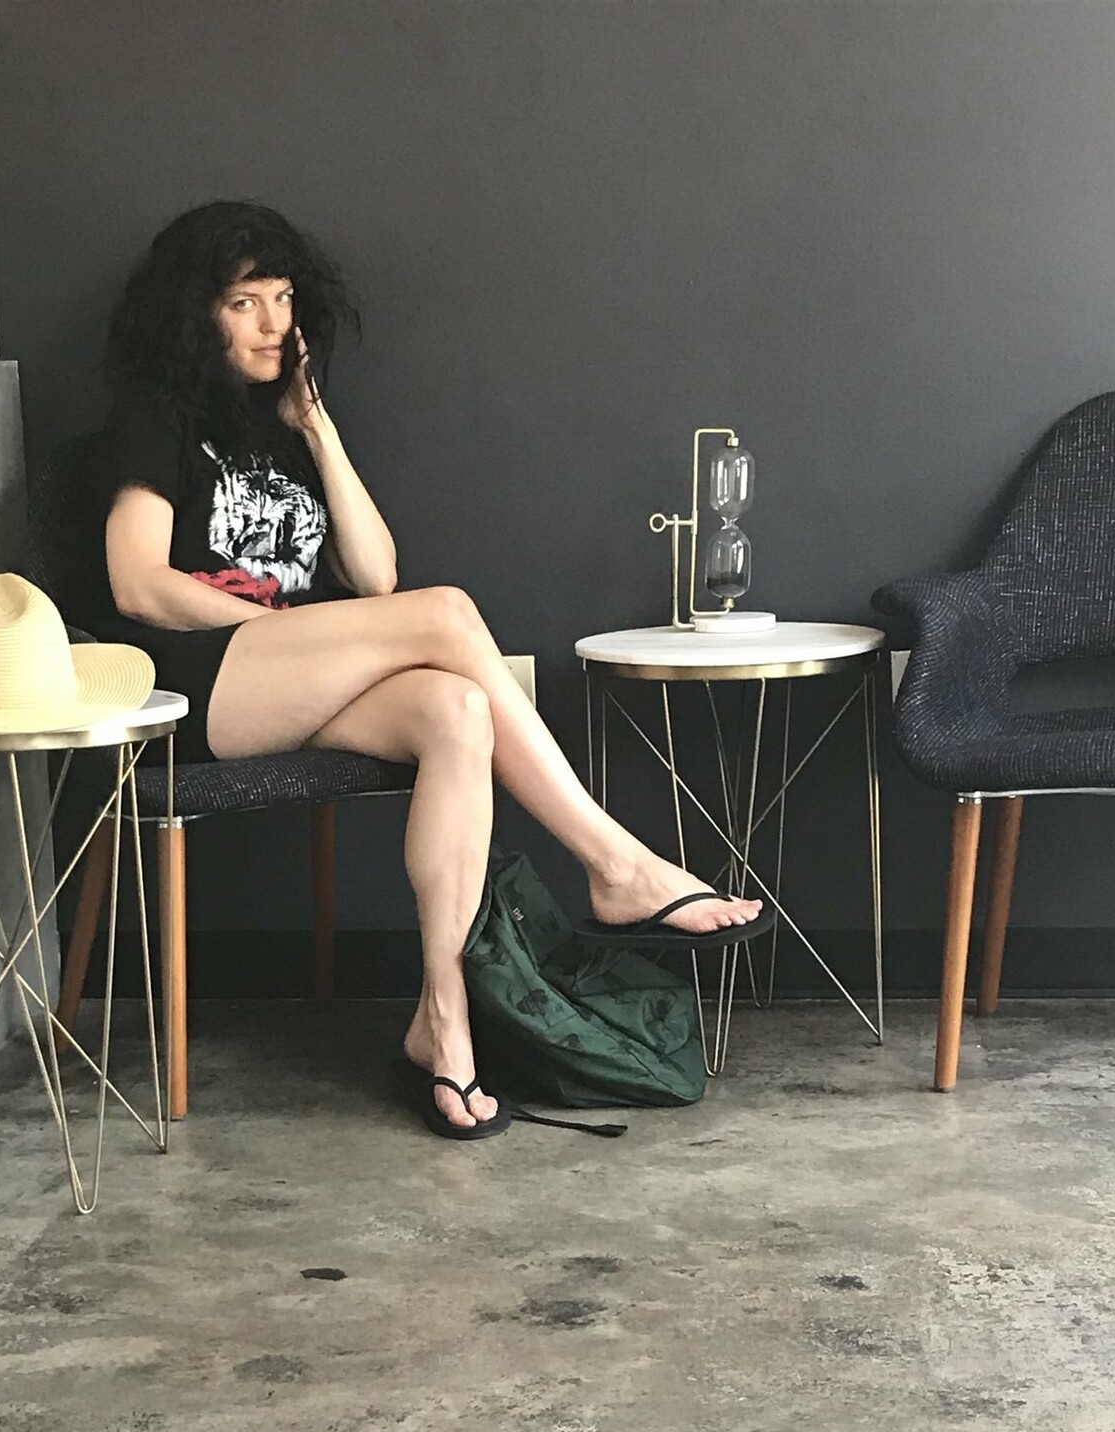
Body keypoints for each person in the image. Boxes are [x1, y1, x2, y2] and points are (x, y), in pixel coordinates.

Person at [95, 201, 763, 1140]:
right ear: (194, 315)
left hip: (291, 676)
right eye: (245, 304)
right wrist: (289, 626)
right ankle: (616, 864)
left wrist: (316, 429)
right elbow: (136, 585)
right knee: (444, 615)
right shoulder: (155, 417)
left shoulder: (281, 428)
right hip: (197, 684)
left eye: (283, 299)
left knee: (456, 709)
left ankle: (441, 1021)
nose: (275, 324)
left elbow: (375, 575)